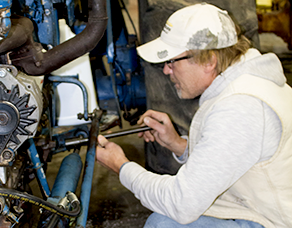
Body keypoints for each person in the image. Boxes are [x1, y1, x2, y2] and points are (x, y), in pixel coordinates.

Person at [95, 3, 292, 228]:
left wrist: (121, 166)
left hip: (271, 221)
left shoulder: (240, 106)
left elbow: (181, 204)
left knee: (164, 224)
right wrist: (177, 143)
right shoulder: (241, 83)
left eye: (172, 61)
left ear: (209, 61)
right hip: (254, 207)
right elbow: (230, 158)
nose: (166, 70)